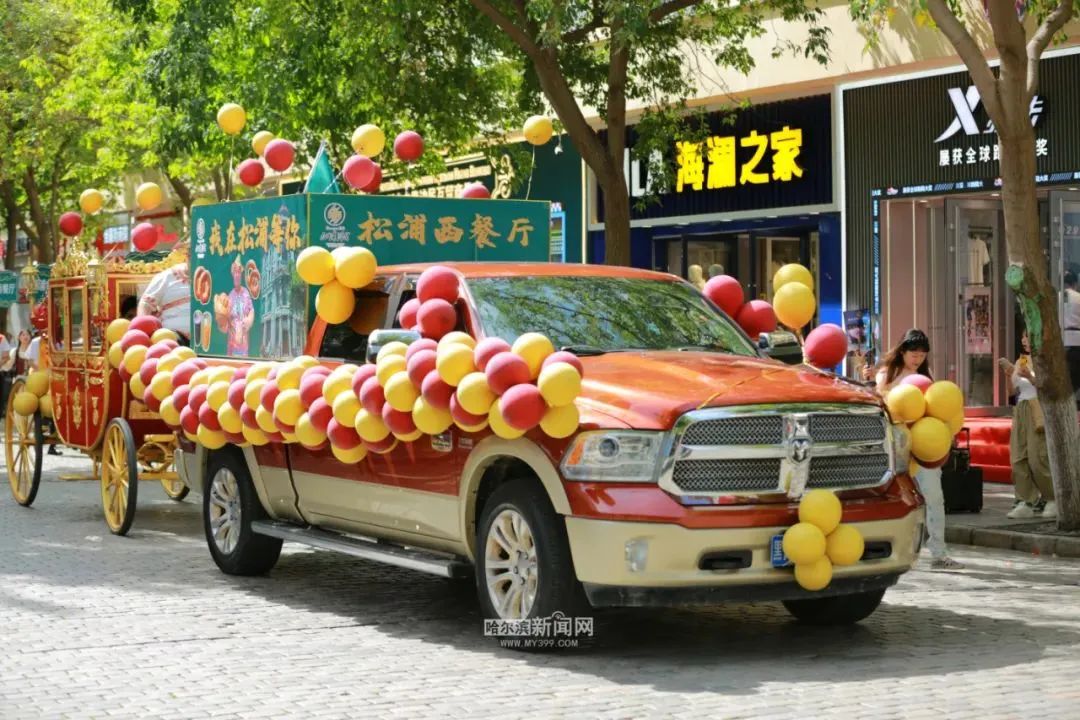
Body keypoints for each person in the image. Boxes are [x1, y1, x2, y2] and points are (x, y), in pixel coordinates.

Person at [876, 329, 963, 570]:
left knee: (934, 497)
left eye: (922, 355)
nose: (918, 359)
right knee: (897, 498)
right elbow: (880, 401)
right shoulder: (887, 374)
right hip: (898, 446)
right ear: (902, 351)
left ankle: (939, 552)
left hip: (925, 444)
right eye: (914, 354)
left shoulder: (927, 376)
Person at [998, 330, 1056, 519]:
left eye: (1029, 336)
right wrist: (1008, 374)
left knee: (1038, 456)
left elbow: (1049, 387)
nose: (1025, 340)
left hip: (1037, 408)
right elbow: (1011, 392)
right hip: (1021, 408)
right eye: (1023, 336)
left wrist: (1030, 375)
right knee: (1018, 456)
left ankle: (1051, 498)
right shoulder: (1020, 360)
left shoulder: (1048, 359)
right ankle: (1025, 500)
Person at [138, 243, 191, 345]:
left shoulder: (212, 276)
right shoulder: (167, 277)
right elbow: (145, 304)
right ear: (187, 256)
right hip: (173, 337)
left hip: (208, 337)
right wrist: (143, 331)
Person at [225, 255, 254, 356]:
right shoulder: (230, 295)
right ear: (232, 275)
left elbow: (251, 310)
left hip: (243, 336)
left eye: (238, 272)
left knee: (243, 361)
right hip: (233, 337)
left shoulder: (246, 292)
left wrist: (249, 320)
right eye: (235, 272)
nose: (237, 275)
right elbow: (226, 316)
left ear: (241, 275)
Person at [1064, 270, 1080, 402]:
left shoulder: (1056, 296)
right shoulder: (1079, 298)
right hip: (1076, 339)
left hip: (1060, 339)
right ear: (1075, 283)